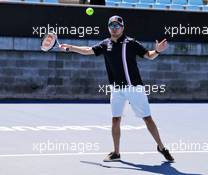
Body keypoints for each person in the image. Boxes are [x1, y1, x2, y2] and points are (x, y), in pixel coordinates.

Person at [59, 15, 174, 162]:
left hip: (134, 88)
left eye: (117, 26)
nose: (114, 28)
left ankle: (161, 147)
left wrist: (157, 50)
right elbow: (88, 50)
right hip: (116, 89)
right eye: (112, 26)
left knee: (147, 119)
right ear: (109, 28)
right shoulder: (105, 44)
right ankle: (116, 152)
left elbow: (149, 56)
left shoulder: (131, 43)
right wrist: (71, 47)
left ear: (122, 28)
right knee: (115, 120)